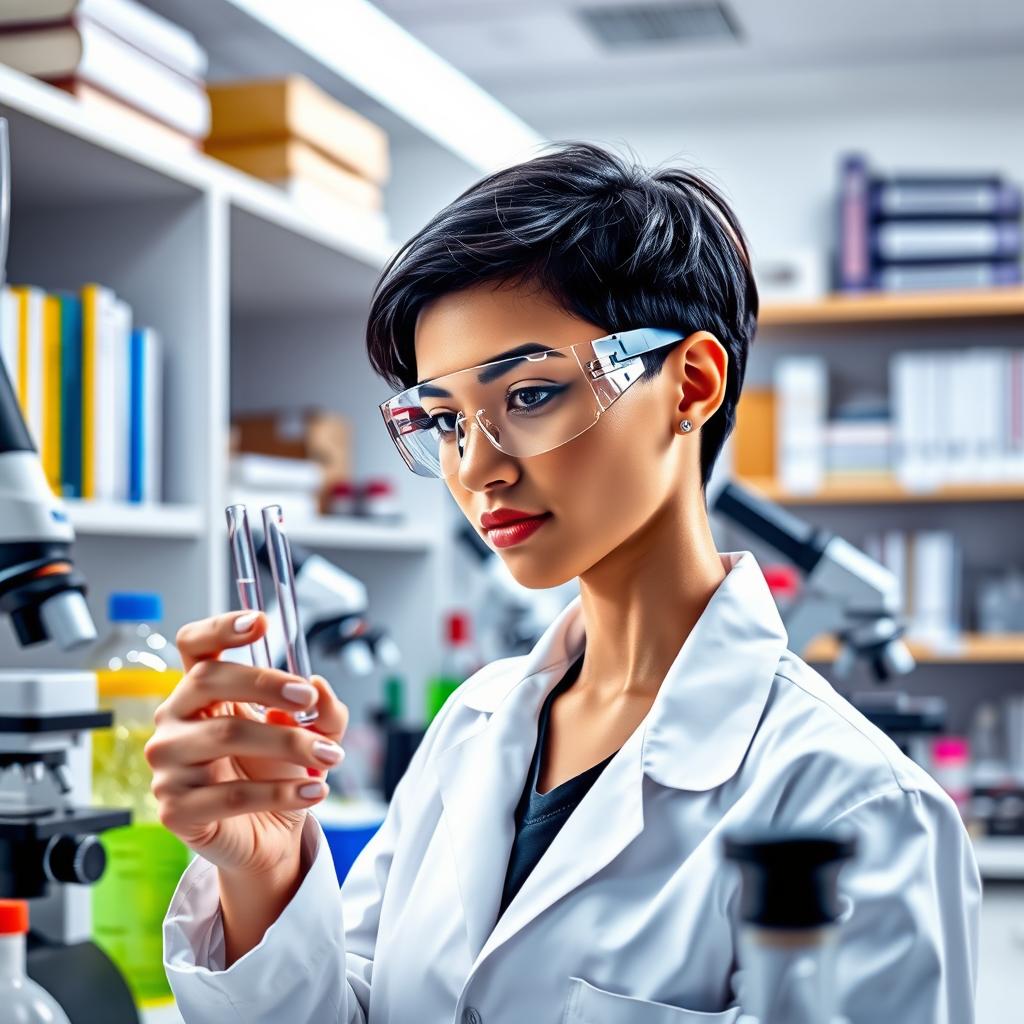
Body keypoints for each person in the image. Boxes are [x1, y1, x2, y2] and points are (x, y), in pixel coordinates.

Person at [153, 142, 980, 1023]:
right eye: (443, 421)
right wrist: (266, 870)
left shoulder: (861, 806)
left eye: (532, 395)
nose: (478, 471)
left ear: (690, 385)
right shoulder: (472, 728)